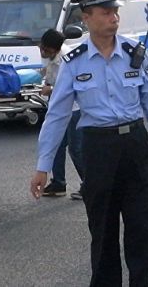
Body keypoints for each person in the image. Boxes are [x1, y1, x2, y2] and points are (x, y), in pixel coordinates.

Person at [29, 0, 148, 287]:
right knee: (102, 231)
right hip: (98, 148)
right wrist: (43, 165)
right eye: (105, 12)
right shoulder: (74, 62)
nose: (114, 17)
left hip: (135, 146)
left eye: (115, 11)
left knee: (142, 228)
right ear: (86, 17)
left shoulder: (136, 54)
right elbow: (57, 115)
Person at [38, 29, 85, 200]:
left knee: (76, 149)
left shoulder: (68, 59)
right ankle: (58, 183)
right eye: (41, 48)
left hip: (74, 108)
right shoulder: (50, 56)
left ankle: (88, 185)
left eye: (46, 50)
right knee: (56, 145)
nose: (43, 52)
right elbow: (49, 75)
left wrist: (51, 89)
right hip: (58, 108)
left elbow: (75, 86)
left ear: (56, 49)